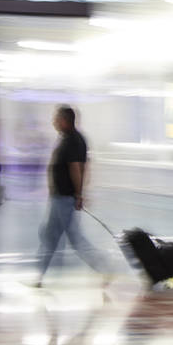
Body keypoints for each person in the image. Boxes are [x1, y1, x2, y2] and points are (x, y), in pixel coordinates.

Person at [34, 105, 111, 287]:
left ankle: (104, 268)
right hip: (61, 197)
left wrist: (79, 194)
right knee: (49, 235)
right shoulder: (70, 139)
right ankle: (38, 276)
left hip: (64, 198)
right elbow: (85, 166)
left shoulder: (72, 141)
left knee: (74, 239)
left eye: (55, 118)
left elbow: (77, 168)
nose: (53, 122)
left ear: (64, 120)